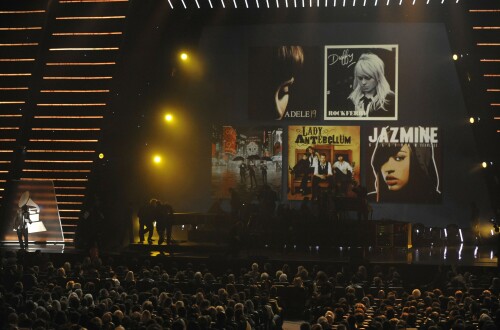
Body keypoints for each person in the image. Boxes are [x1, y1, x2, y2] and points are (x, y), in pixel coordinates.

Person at [369, 141, 441, 203]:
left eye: (399, 158)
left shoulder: (437, 200)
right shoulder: (369, 200)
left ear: (417, 161)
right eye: (383, 160)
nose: (388, 168)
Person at [348, 53, 395, 118]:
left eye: (367, 78)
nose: (363, 82)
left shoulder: (391, 100)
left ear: (378, 76)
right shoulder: (352, 100)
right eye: (360, 78)